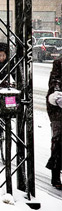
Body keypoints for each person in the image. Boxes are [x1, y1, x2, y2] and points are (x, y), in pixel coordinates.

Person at [46, 57, 62, 190]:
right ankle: (55, 173)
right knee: (58, 138)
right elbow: (54, 83)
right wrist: (57, 93)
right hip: (57, 107)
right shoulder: (58, 63)